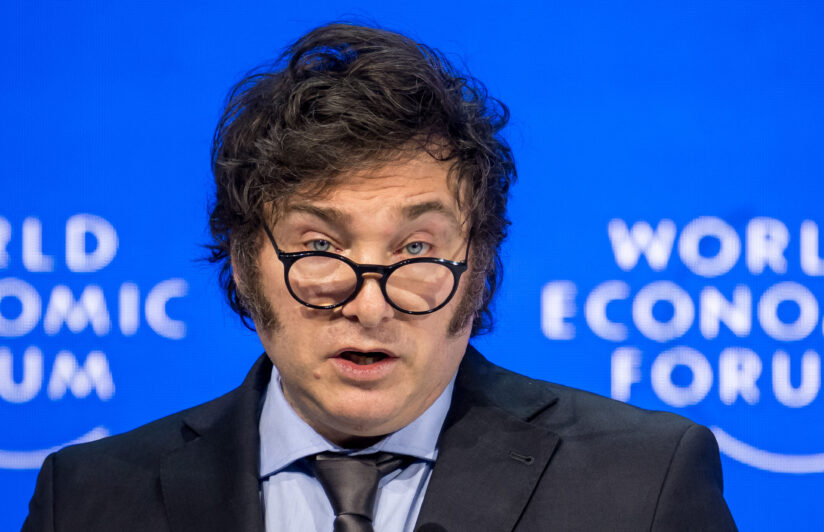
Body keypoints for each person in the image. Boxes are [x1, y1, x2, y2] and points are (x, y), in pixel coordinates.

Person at [22, 22, 737, 531]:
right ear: (243, 265)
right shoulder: (88, 497)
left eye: (417, 249)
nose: (368, 304)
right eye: (320, 247)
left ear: (480, 271)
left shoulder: (641, 483)